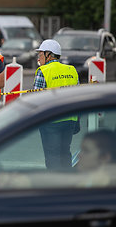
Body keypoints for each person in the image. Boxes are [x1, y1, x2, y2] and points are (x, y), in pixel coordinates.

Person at [33, 39, 79, 170]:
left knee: (52, 155)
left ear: (49, 54)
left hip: (50, 120)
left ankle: (54, 185)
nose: (39, 57)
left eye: (40, 53)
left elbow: (36, 98)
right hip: (70, 119)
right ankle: (67, 183)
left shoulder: (43, 71)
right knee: (65, 153)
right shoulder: (72, 70)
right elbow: (78, 95)